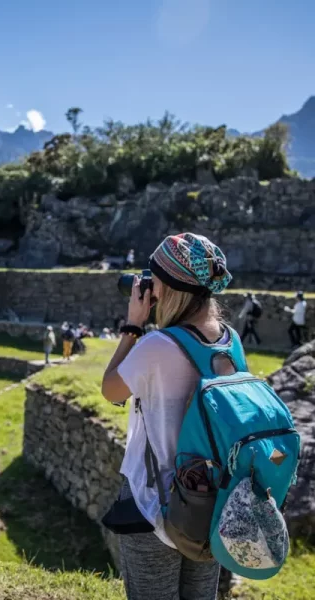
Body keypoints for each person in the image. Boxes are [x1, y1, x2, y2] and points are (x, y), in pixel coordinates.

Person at [101, 233, 232, 600]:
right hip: (209, 499)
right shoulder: (230, 341)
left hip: (154, 503)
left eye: (154, 278)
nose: (148, 286)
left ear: (172, 288)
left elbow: (111, 389)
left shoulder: (158, 345)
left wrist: (132, 326)